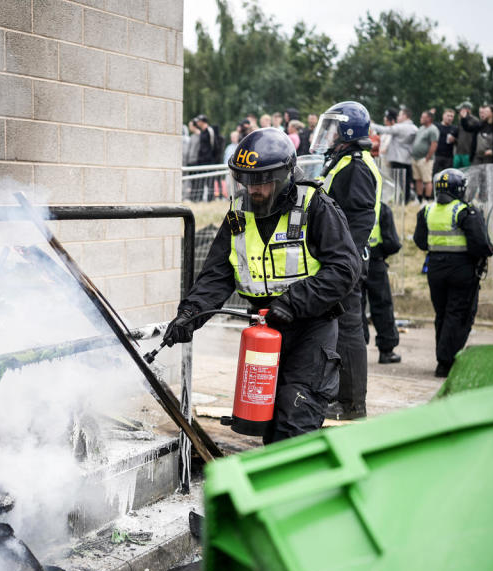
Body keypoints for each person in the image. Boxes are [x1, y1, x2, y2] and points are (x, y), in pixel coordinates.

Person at [163, 128, 361, 442]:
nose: (253, 190)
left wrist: (294, 302)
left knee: (296, 415)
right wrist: (190, 314)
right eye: (246, 181)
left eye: (261, 181)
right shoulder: (238, 216)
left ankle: (296, 487)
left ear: (284, 177)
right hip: (266, 328)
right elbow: (217, 275)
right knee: (265, 420)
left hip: (311, 326)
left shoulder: (314, 206)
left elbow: (345, 268)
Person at [312, 100, 381, 420]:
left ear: (348, 132)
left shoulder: (355, 166)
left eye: (334, 129)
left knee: (351, 331)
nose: (329, 136)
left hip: (346, 263)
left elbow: (359, 219)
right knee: (339, 330)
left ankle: (353, 404)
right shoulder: (346, 161)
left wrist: (344, 264)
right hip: (341, 260)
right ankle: (340, 396)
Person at [413, 169, 493, 377]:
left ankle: (443, 357)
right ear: (459, 189)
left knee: (442, 314)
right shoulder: (465, 211)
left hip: (436, 268)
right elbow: (479, 244)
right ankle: (446, 362)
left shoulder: (427, 210)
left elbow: (420, 242)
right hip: (462, 269)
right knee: (459, 314)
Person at [362, 201, 402, 363]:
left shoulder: (345, 201)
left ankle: (357, 349)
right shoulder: (381, 207)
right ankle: (386, 351)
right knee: (382, 305)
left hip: (354, 259)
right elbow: (392, 243)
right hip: (375, 262)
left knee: (355, 307)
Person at [371, 107, 417, 203]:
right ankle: (405, 200)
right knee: (406, 182)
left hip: (397, 158)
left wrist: (371, 124)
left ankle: (400, 200)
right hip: (408, 159)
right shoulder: (414, 128)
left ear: (405, 116)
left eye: (399, 115)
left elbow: (384, 129)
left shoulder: (401, 127)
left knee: (397, 181)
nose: (398, 117)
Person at [411, 110, 439, 202]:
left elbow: (434, 144)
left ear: (429, 119)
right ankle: (419, 199)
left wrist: (427, 157)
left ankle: (426, 200)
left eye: (423, 117)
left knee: (427, 180)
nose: (421, 119)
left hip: (425, 159)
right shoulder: (421, 128)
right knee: (417, 179)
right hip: (416, 158)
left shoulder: (433, 129)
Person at [433, 108, 457, 176]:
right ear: (443, 115)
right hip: (436, 155)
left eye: (451, 116)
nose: (449, 118)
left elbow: (459, 142)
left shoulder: (454, 128)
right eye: (448, 115)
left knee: (447, 177)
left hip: (448, 157)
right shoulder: (436, 126)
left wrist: (454, 140)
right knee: (433, 175)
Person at [454, 102, 478, 169]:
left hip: (468, 153)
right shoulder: (460, 120)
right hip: (458, 152)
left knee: (467, 174)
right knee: (456, 173)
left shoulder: (474, 120)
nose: (459, 111)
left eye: (460, 109)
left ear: (466, 110)